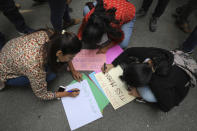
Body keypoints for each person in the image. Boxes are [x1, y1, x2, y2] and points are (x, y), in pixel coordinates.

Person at [101, 47, 197, 112]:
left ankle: (143, 95)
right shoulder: (153, 56)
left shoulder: (158, 84)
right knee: (136, 59)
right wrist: (113, 64)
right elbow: (130, 51)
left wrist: (139, 95)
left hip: (178, 89)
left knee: (147, 95)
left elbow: (167, 107)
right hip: (177, 62)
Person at [0, 29, 83, 100]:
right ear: (59, 53)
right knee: (51, 75)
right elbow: (42, 94)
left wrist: (73, 70)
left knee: (53, 68)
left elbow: (67, 50)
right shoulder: (35, 67)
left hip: (9, 50)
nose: (72, 60)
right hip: (6, 73)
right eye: (70, 58)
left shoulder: (52, 35)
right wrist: (67, 93)